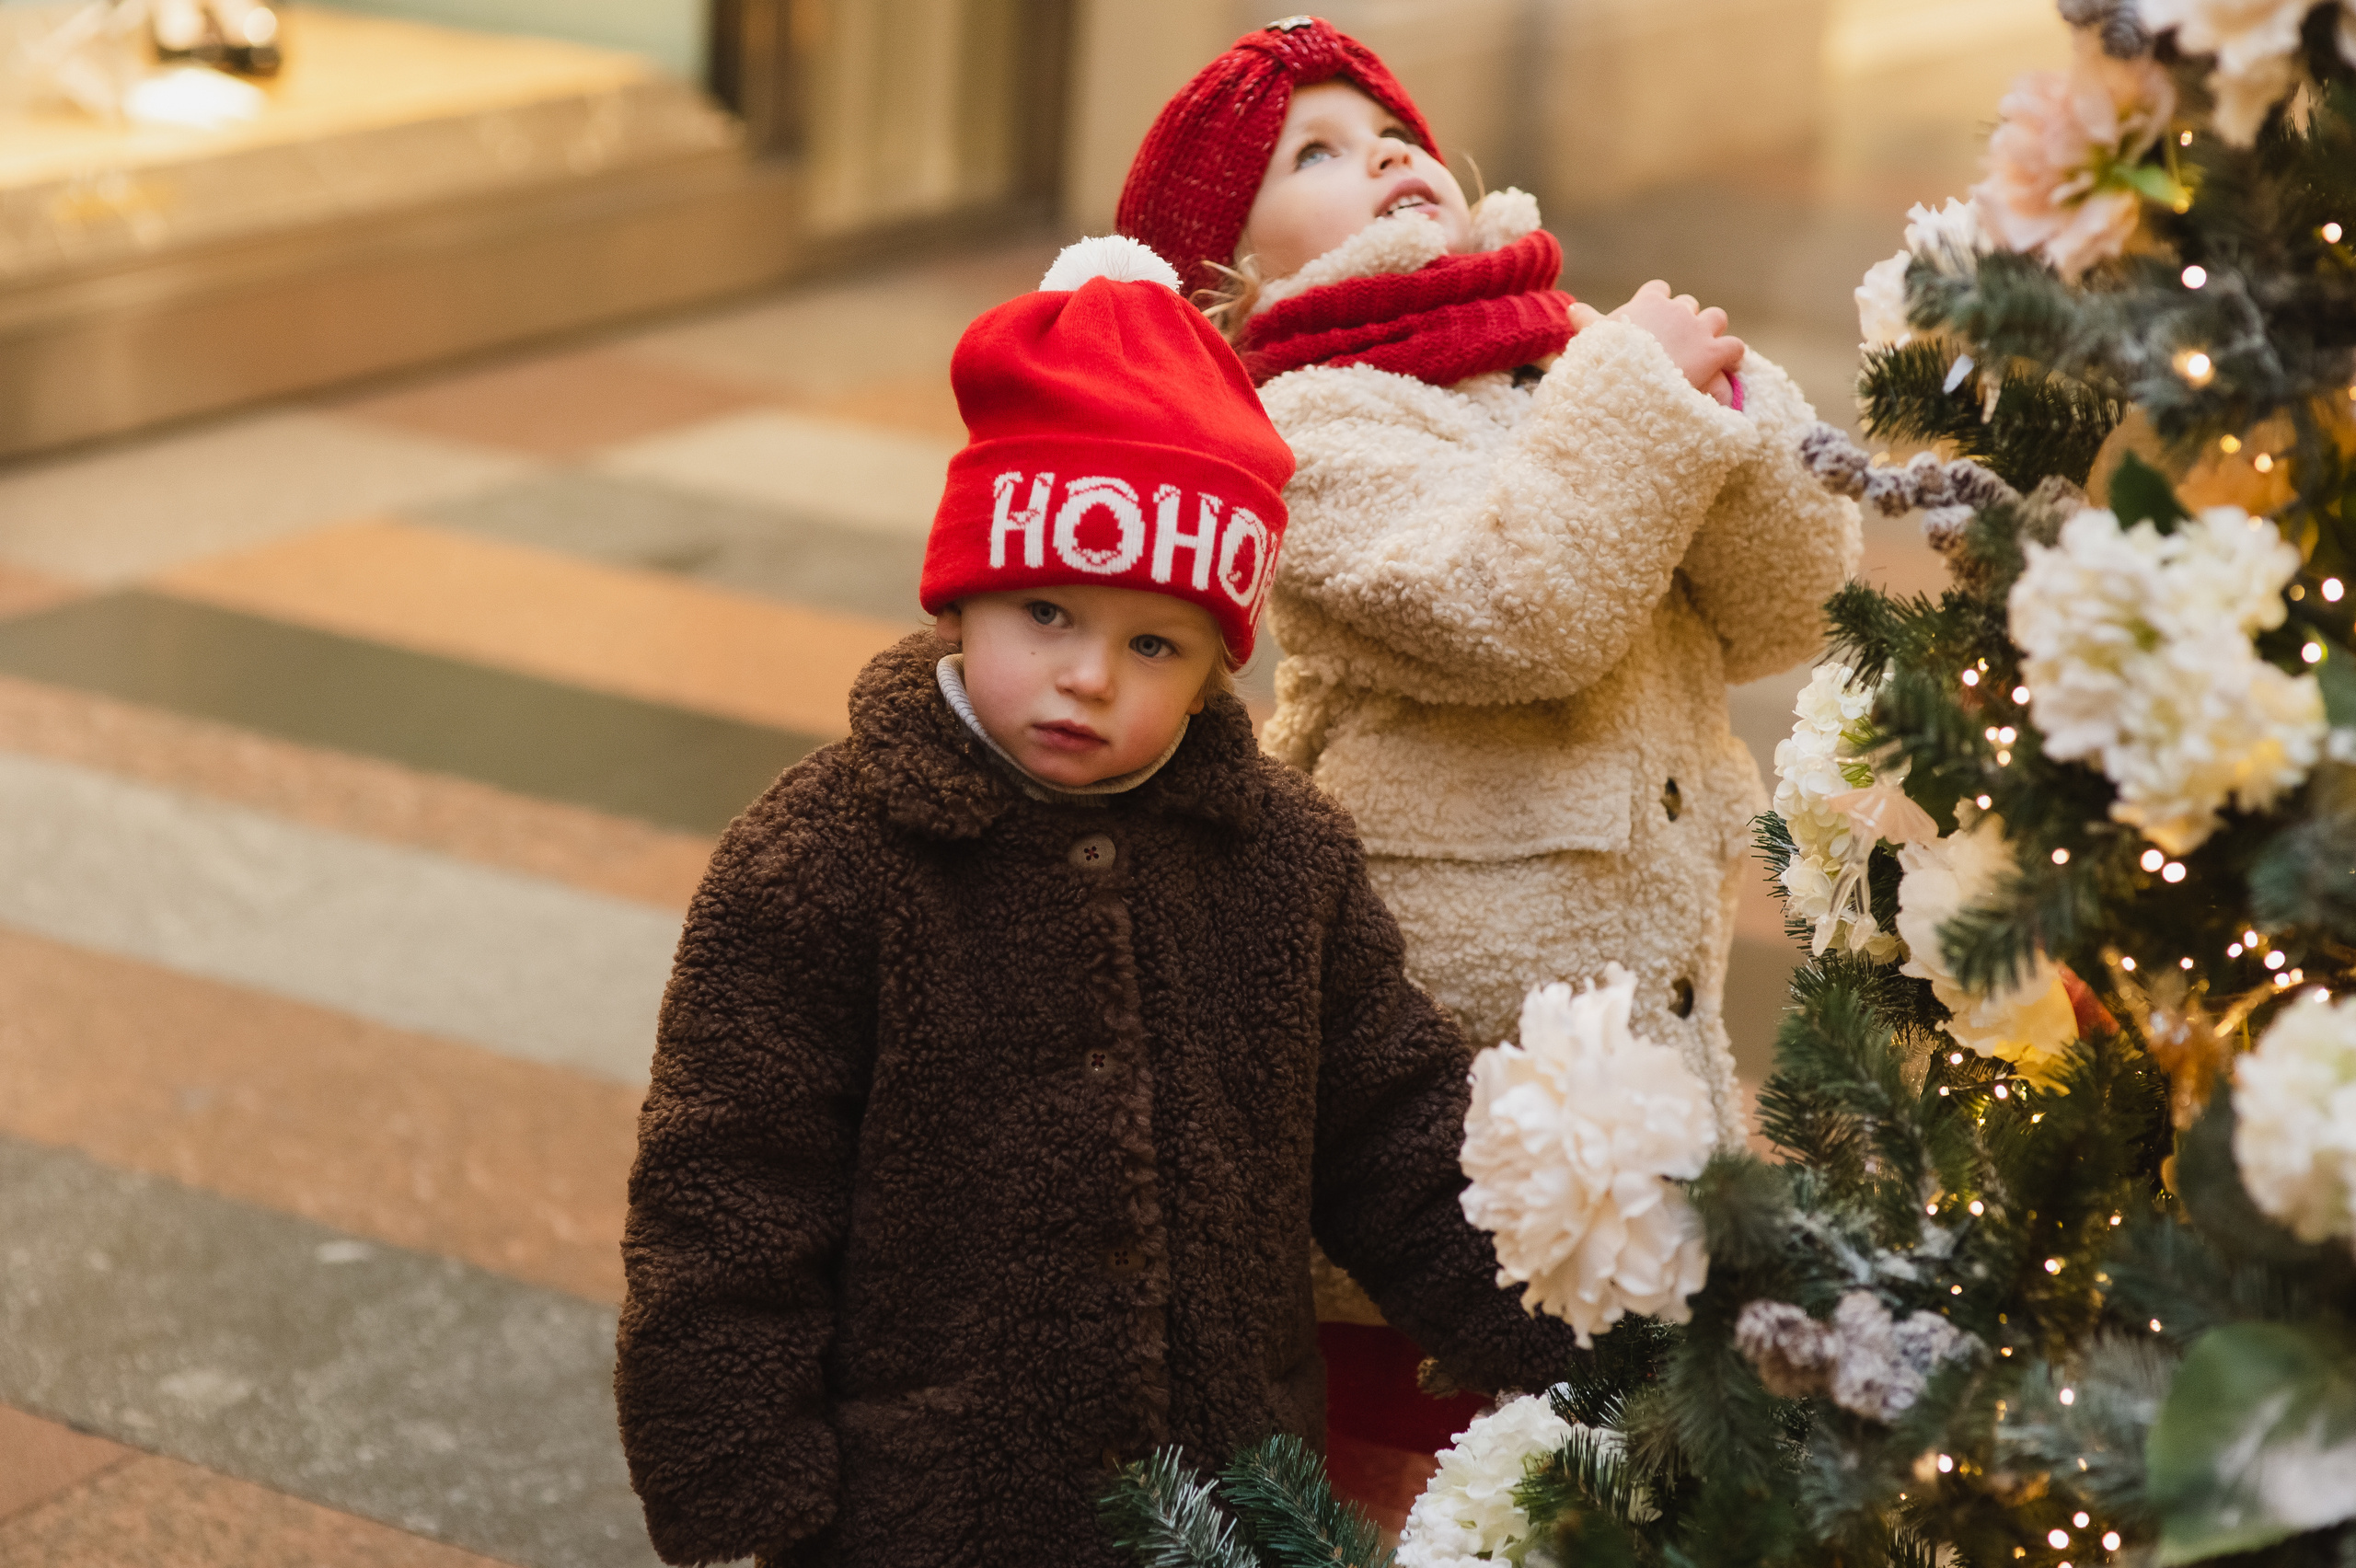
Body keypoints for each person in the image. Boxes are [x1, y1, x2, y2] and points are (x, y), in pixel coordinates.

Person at [612, 236, 1583, 1568]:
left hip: (1233, 1506)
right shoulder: (822, 862)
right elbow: (727, 1206)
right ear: (963, 598)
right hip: (923, 1521)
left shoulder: (1279, 860)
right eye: (1046, 613)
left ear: (1214, 667)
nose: (1088, 678)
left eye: (1152, 643)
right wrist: (746, 1500)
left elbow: (1396, 1134)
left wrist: (1575, 1353)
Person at [1115, 14, 1864, 1515]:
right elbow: (1515, 607)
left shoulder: (1571, 356)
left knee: (1614, 1463)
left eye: (1386, 127)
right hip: (1444, 1106)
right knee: (1434, 1471)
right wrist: (1639, 403)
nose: (1380, 151)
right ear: (1233, 277)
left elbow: (1788, 605)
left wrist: (1716, 408)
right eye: (1310, 156)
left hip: (1645, 1088)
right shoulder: (1298, 426)